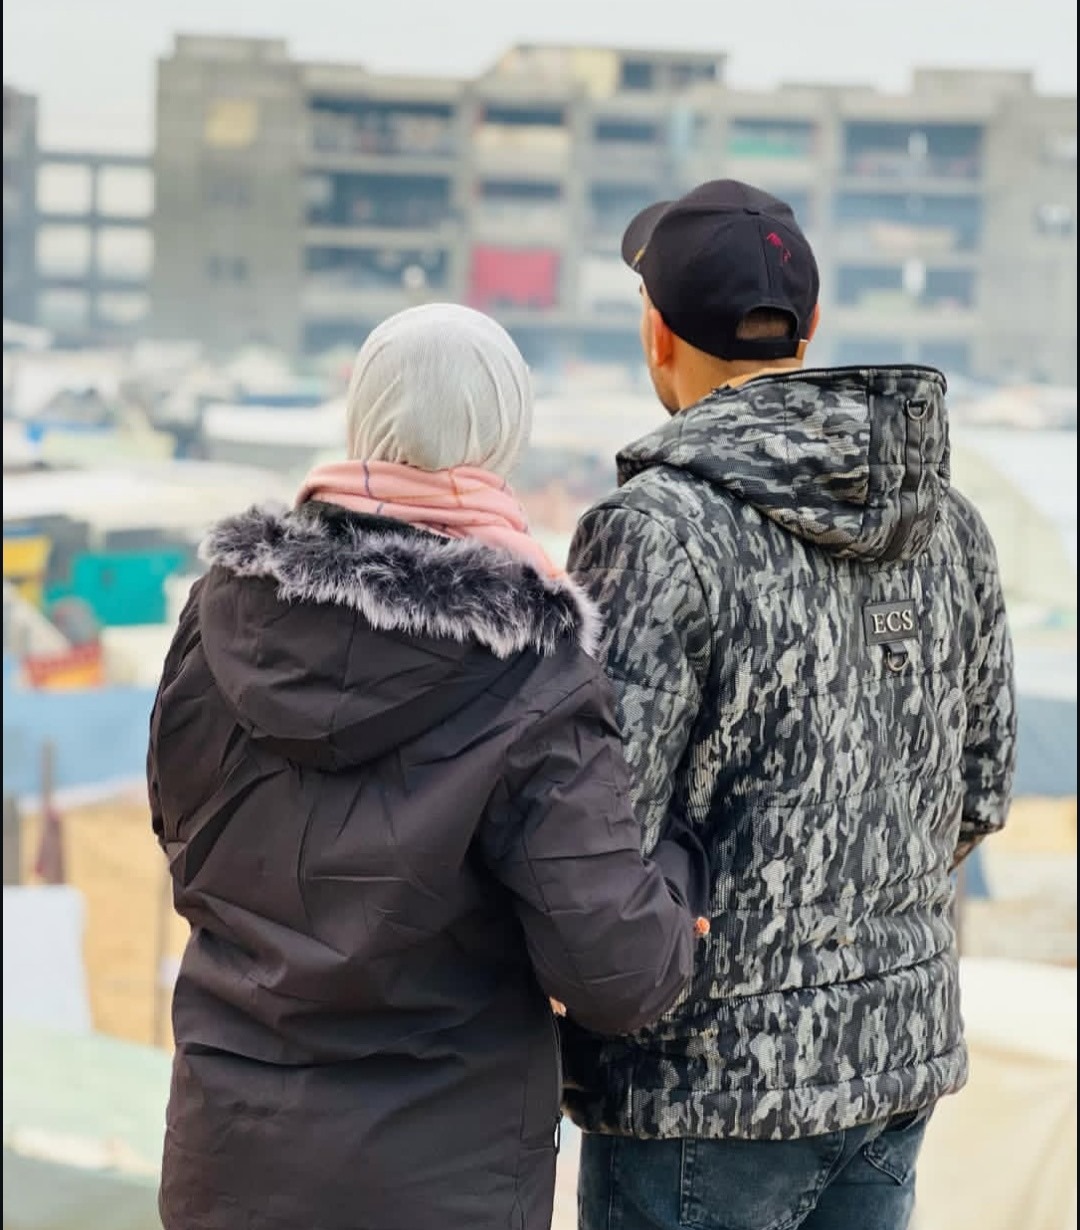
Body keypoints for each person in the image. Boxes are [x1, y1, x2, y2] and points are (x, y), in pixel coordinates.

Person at [148, 303, 710, 1230]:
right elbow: (615, 971)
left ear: (363, 417)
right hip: (444, 1180)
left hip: (228, 1158)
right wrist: (685, 869)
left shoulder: (220, 614)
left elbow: (182, 829)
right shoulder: (533, 668)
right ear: (503, 437)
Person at [561, 180, 1017, 1230]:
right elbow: (983, 790)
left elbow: (597, 831)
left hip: (702, 1085)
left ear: (656, 334)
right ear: (809, 328)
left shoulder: (654, 530)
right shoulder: (947, 522)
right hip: (891, 1057)